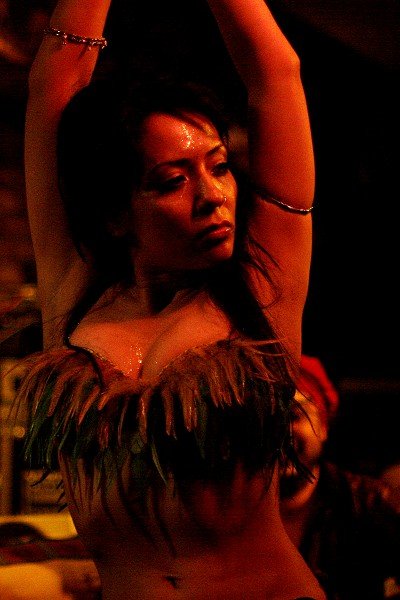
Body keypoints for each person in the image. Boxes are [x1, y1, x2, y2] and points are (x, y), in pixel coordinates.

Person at [17, 0, 325, 598]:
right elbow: (58, 73)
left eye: (220, 166)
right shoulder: (75, 290)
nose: (213, 197)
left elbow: (275, 73)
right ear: (113, 214)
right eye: (172, 181)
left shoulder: (262, 287)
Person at [280, 355, 400, 600]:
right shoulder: (228, 513)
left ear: (323, 426)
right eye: (267, 420)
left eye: (294, 415)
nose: (280, 433)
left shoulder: (373, 506)